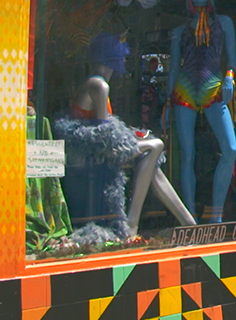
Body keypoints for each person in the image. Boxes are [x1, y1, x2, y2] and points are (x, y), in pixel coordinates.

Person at [57, 32, 195, 239]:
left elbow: (107, 130)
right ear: (110, 56)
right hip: (90, 155)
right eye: (121, 56)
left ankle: (190, 225)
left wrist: (135, 136)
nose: (123, 60)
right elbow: (107, 135)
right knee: (155, 146)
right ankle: (131, 226)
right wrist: (138, 140)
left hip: (94, 149)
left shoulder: (97, 83)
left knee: (152, 163)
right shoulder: (99, 86)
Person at [167, 0, 236, 224]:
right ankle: (191, 218)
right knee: (187, 154)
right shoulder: (179, 31)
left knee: (231, 149)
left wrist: (230, 76)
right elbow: (175, 67)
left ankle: (216, 216)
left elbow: (231, 57)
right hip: (184, 89)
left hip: (213, 86)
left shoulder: (224, 23)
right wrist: (167, 102)